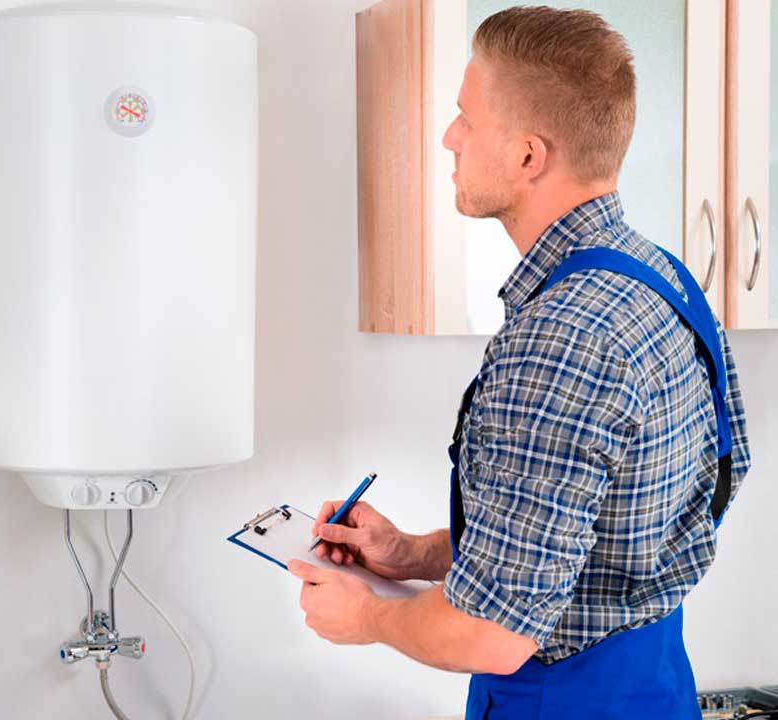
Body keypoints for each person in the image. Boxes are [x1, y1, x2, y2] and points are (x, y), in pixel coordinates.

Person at [287, 7, 751, 718]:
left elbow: (493, 634)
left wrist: (368, 616)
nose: (450, 137)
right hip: (655, 687)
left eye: (467, 119)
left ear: (529, 156)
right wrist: (412, 554)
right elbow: (669, 503)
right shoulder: (666, 279)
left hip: (556, 700)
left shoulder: (560, 338)